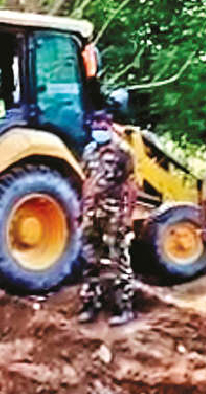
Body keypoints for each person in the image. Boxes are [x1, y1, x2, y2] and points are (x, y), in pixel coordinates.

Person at [78, 111, 137, 326]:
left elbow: (131, 185)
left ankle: (124, 308)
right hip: (92, 213)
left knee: (118, 259)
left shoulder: (123, 151)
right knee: (90, 259)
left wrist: (128, 216)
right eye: (95, 126)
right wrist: (83, 208)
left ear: (110, 126)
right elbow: (87, 180)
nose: (98, 130)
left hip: (114, 212)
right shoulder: (89, 150)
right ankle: (90, 305)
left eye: (102, 126)